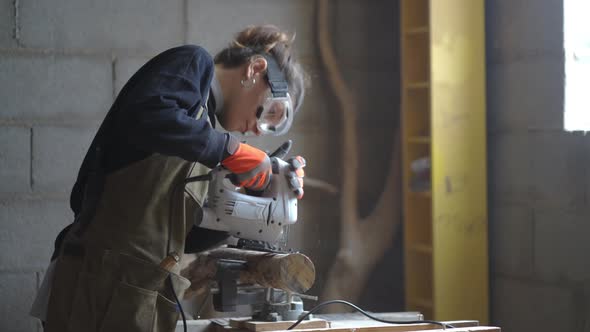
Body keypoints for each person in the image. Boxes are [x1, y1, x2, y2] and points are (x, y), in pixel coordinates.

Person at [31, 25, 308, 332]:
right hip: (95, 283)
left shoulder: (200, 137)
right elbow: (148, 117)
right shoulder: (193, 64)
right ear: (255, 69)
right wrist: (229, 150)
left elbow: (181, 236)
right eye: (272, 113)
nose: (259, 131)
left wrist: (251, 204)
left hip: (133, 296)